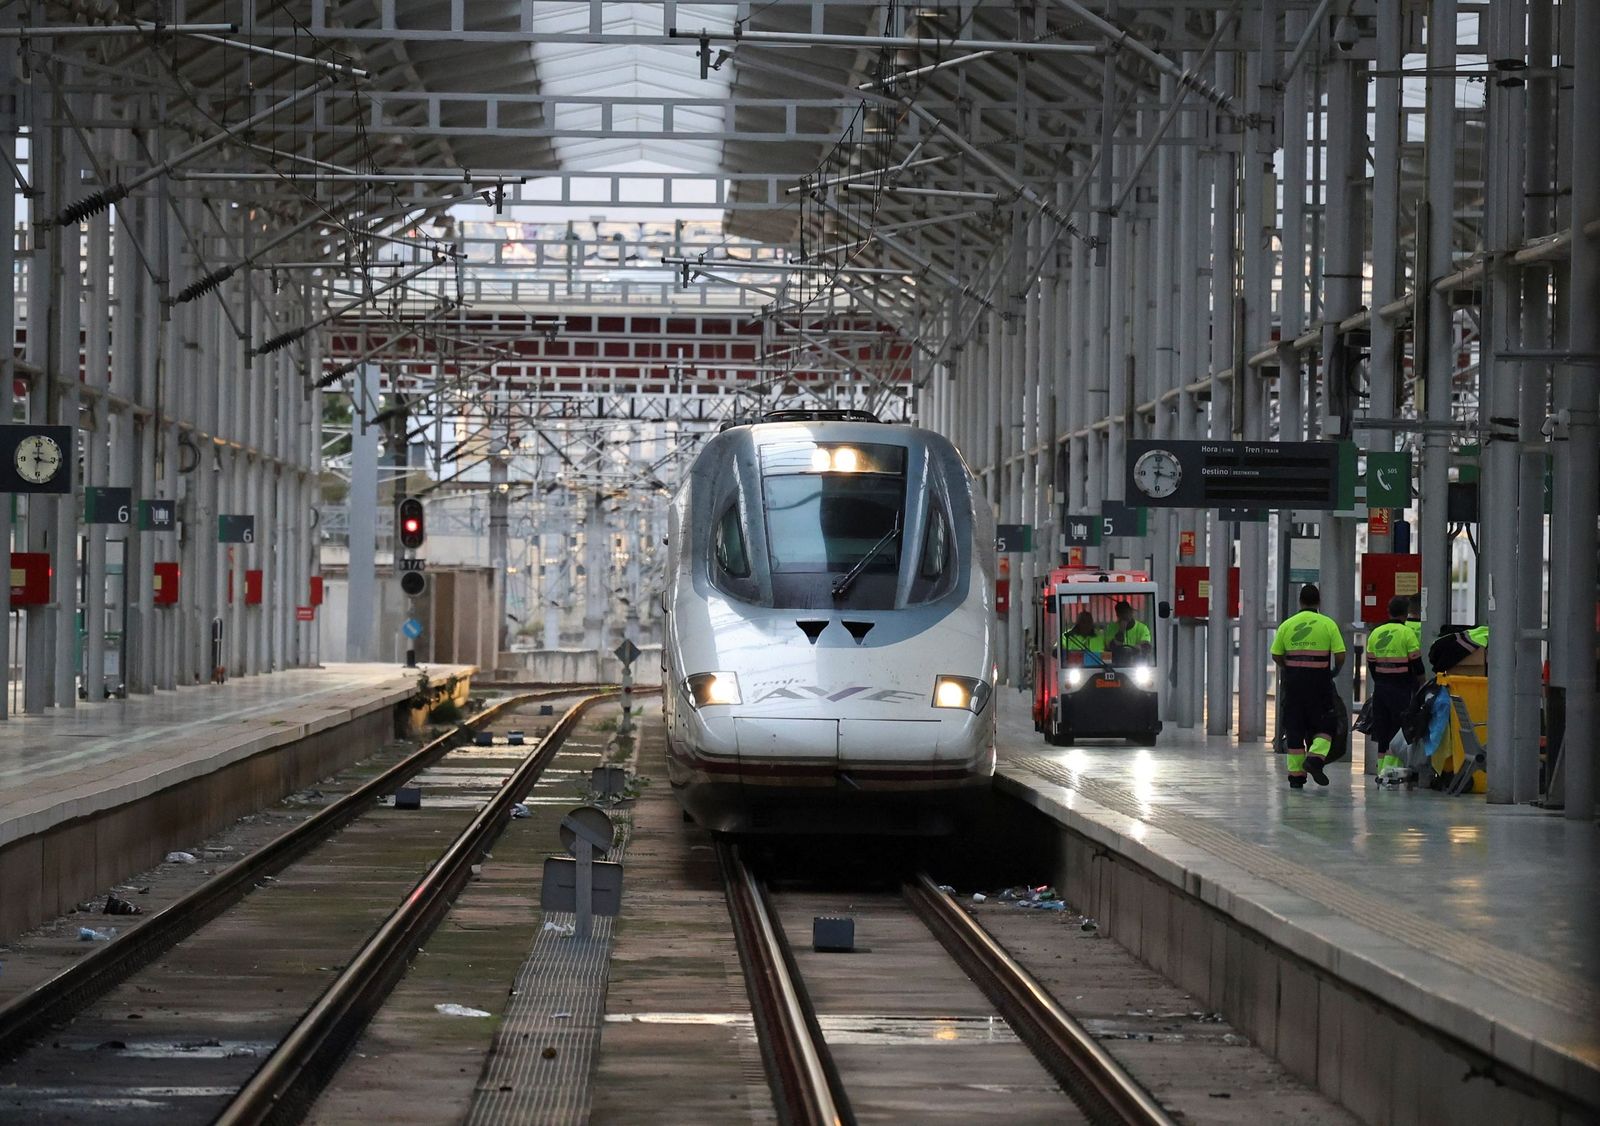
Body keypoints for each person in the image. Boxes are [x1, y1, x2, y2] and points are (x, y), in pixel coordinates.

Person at [1270, 584, 1347, 789]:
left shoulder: (1287, 625)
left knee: (1294, 727)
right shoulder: (1328, 624)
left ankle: (1296, 777)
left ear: (1300, 601)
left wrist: (1288, 667)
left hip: (1294, 685)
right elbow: (1340, 654)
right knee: (1326, 725)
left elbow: (1276, 654)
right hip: (1319, 684)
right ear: (1319, 601)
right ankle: (1314, 759)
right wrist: (1335, 670)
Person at [1365, 596, 1425, 782]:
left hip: (1381, 689)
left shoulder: (1375, 633)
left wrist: (1380, 680)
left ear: (1388, 611)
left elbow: (1371, 664)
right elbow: (1417, 664)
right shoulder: (1407, 633)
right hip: (1401, 689)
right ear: (1405, 614)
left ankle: (1381, 772)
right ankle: (1391, 772)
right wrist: (1422, 685)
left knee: (1382, 731)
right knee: (1398, 730)